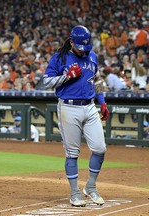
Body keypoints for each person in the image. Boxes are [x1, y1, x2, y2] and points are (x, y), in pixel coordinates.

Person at [44, 25, 110, 207]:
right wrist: (66, 76)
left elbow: (97, 80)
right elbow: (46, 81)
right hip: (68, 107)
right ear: (72, 42)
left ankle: (90, 187)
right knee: (72, 153)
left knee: (100, 148)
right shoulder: (60, 57)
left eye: (85, 47)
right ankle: (74, 194)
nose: (83, 50)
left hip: (89, 107)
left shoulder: (92, 55)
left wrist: (102, 101)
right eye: (80, 46)